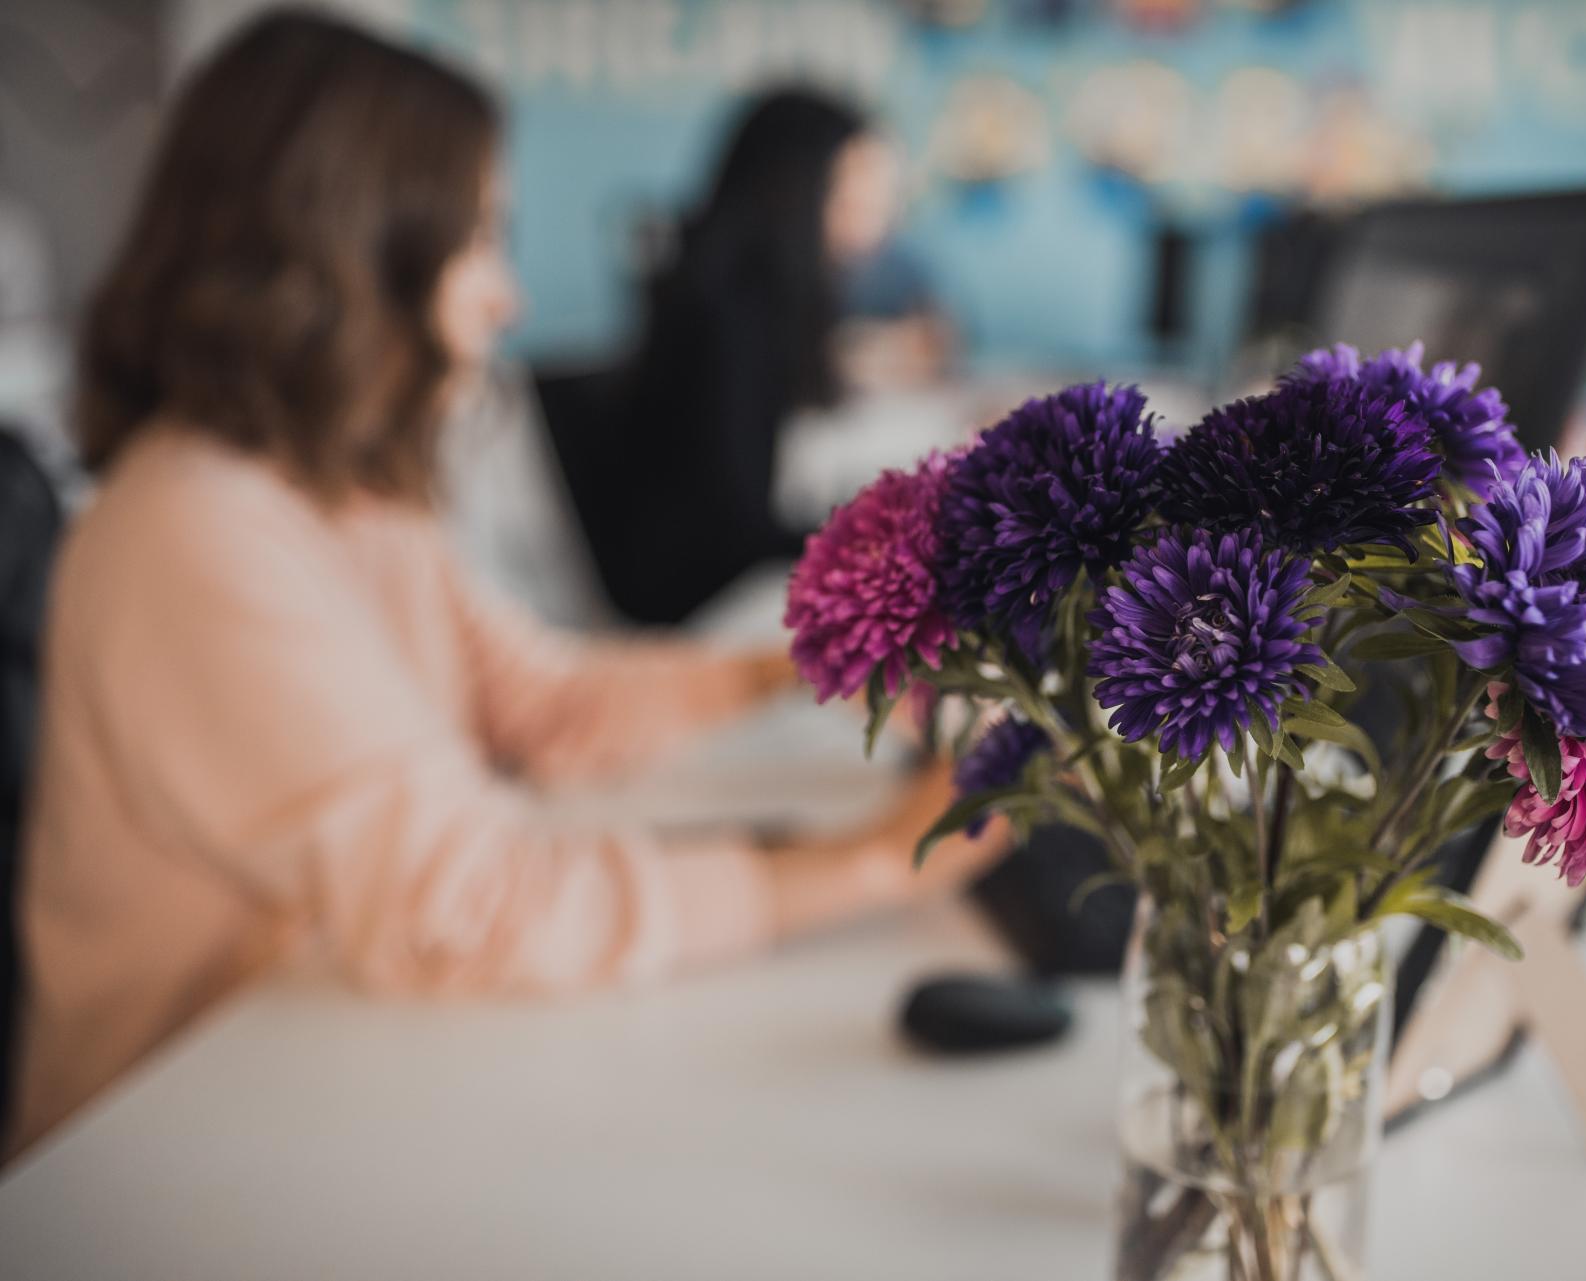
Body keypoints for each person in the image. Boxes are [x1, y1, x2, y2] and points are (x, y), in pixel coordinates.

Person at [5, 12, 1000, 1160]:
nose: (507, 297)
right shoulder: (195, 532)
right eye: (478, 240)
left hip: (311, 1073)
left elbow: (544, 707)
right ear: (352, 254)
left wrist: (829, 648)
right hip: (164, 1153)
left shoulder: (344, 495)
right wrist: (877, 862)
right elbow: (472, 908)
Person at [556, 88, 919, 625]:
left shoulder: (730, 292)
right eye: (855, 187)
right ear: (801, 186)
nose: (876, 214)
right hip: (683, 602)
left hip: (692, 577)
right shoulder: (732, 314)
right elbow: (732, 529)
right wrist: (885, 537)